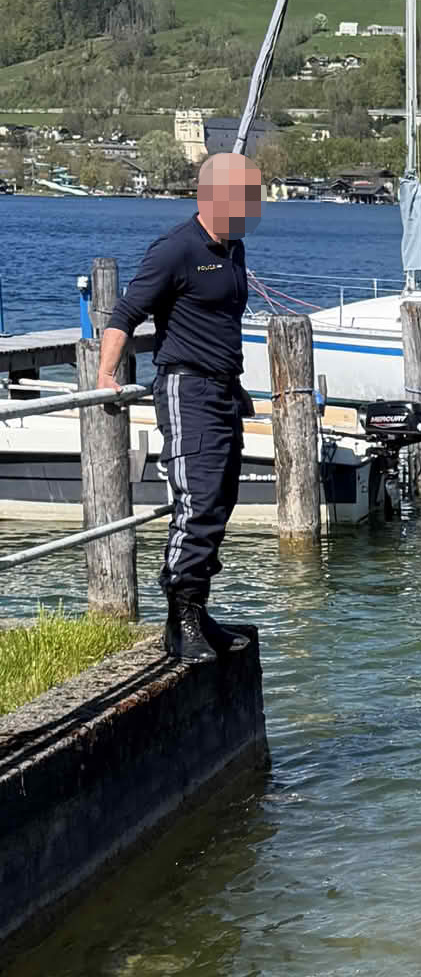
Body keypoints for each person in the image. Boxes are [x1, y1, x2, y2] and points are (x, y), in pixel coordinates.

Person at [96, 152, 263, 664]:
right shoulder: (175, 249)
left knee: (220, 501)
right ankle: (180, 619)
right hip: (185, 390)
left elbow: (221, 325)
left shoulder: (233, 248)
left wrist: (237, 387)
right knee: (196, 501)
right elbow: (125, 313)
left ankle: (200, 609)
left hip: (222, 390)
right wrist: (106, 374)